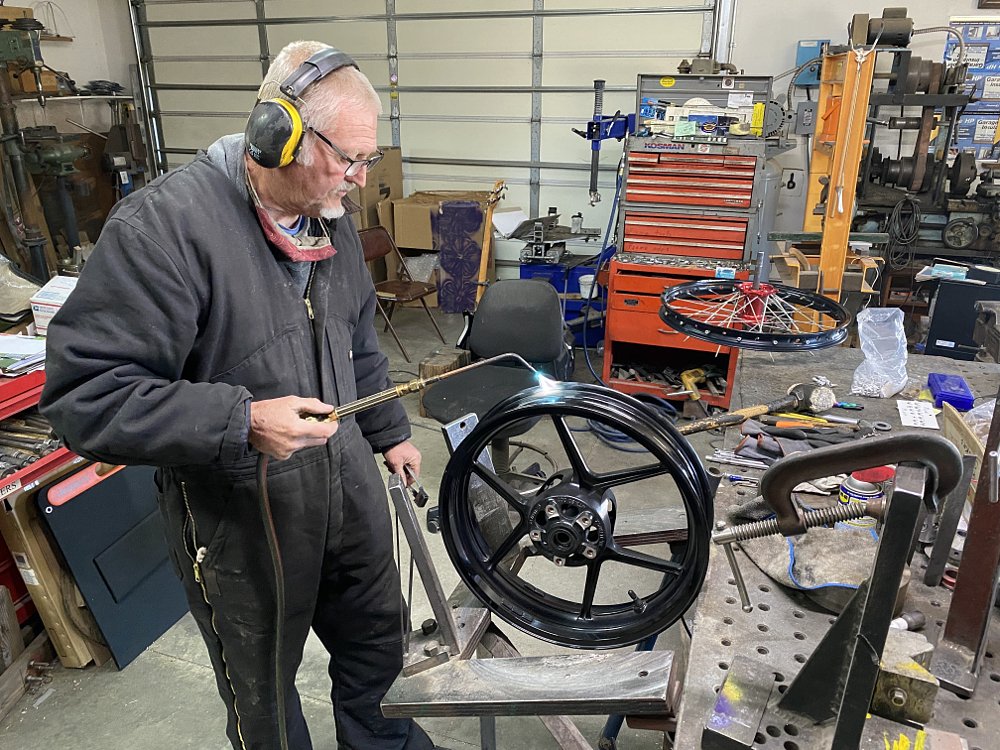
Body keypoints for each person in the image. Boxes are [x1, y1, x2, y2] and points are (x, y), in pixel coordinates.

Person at [40, 40, 436, 750]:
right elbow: (86, 398)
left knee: (383, 661)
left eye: (367, 161)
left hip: (347, 490)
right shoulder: (164, 230)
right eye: (348, 159)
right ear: (276, 134)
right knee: (266, 702)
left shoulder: (331, 219)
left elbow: (357, 340)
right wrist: (241, 420)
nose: (358, 178)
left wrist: (389, 431)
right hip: (242, 518)